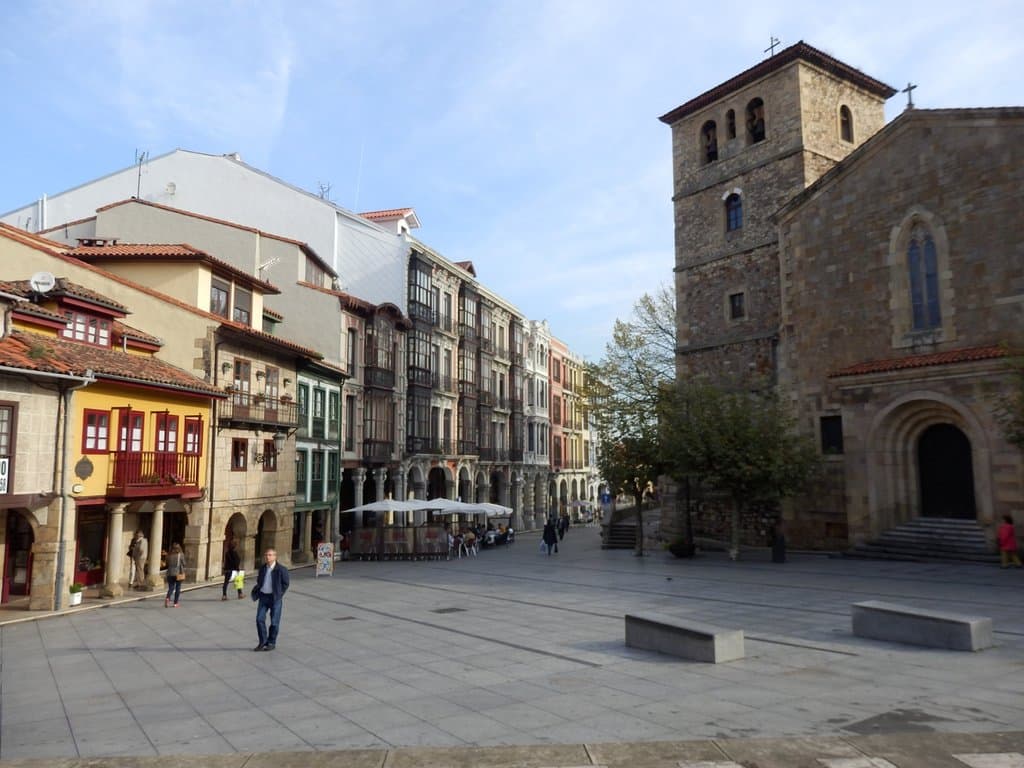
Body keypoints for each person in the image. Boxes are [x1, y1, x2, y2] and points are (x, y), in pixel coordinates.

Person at [251, 548, 290, 651]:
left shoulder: (281, 569)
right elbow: (259, 580)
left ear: (275, 557)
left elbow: (286, 583)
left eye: (270, 555)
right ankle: (263, 641)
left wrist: (279, 594)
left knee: (274, 622)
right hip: (263, 597)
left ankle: (271, 642)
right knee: (259, 619)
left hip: (275, 598)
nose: (267, 557)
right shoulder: (263, 568)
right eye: (266, 555)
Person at [164, 543, 185, 607]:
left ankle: (167, 598)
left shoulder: (169, 555)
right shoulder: (180, 555)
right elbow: (184, 563)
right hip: (178, 573)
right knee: (178, 588)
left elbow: (167, 564)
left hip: (170, 573)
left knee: (171, 588)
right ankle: (175, 603)